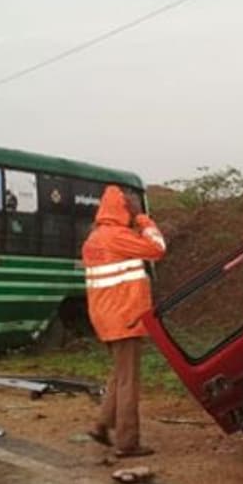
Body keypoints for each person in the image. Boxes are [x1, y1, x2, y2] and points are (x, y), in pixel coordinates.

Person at [82, 185, 167, 458]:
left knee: (119, 375)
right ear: (122, 209)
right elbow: (157, 248)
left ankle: (102, 425)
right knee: (128, 381)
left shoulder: (92, 239)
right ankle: (127, 442)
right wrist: (143, 218)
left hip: (104, 318)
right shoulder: (119, 236)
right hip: (125, 317)